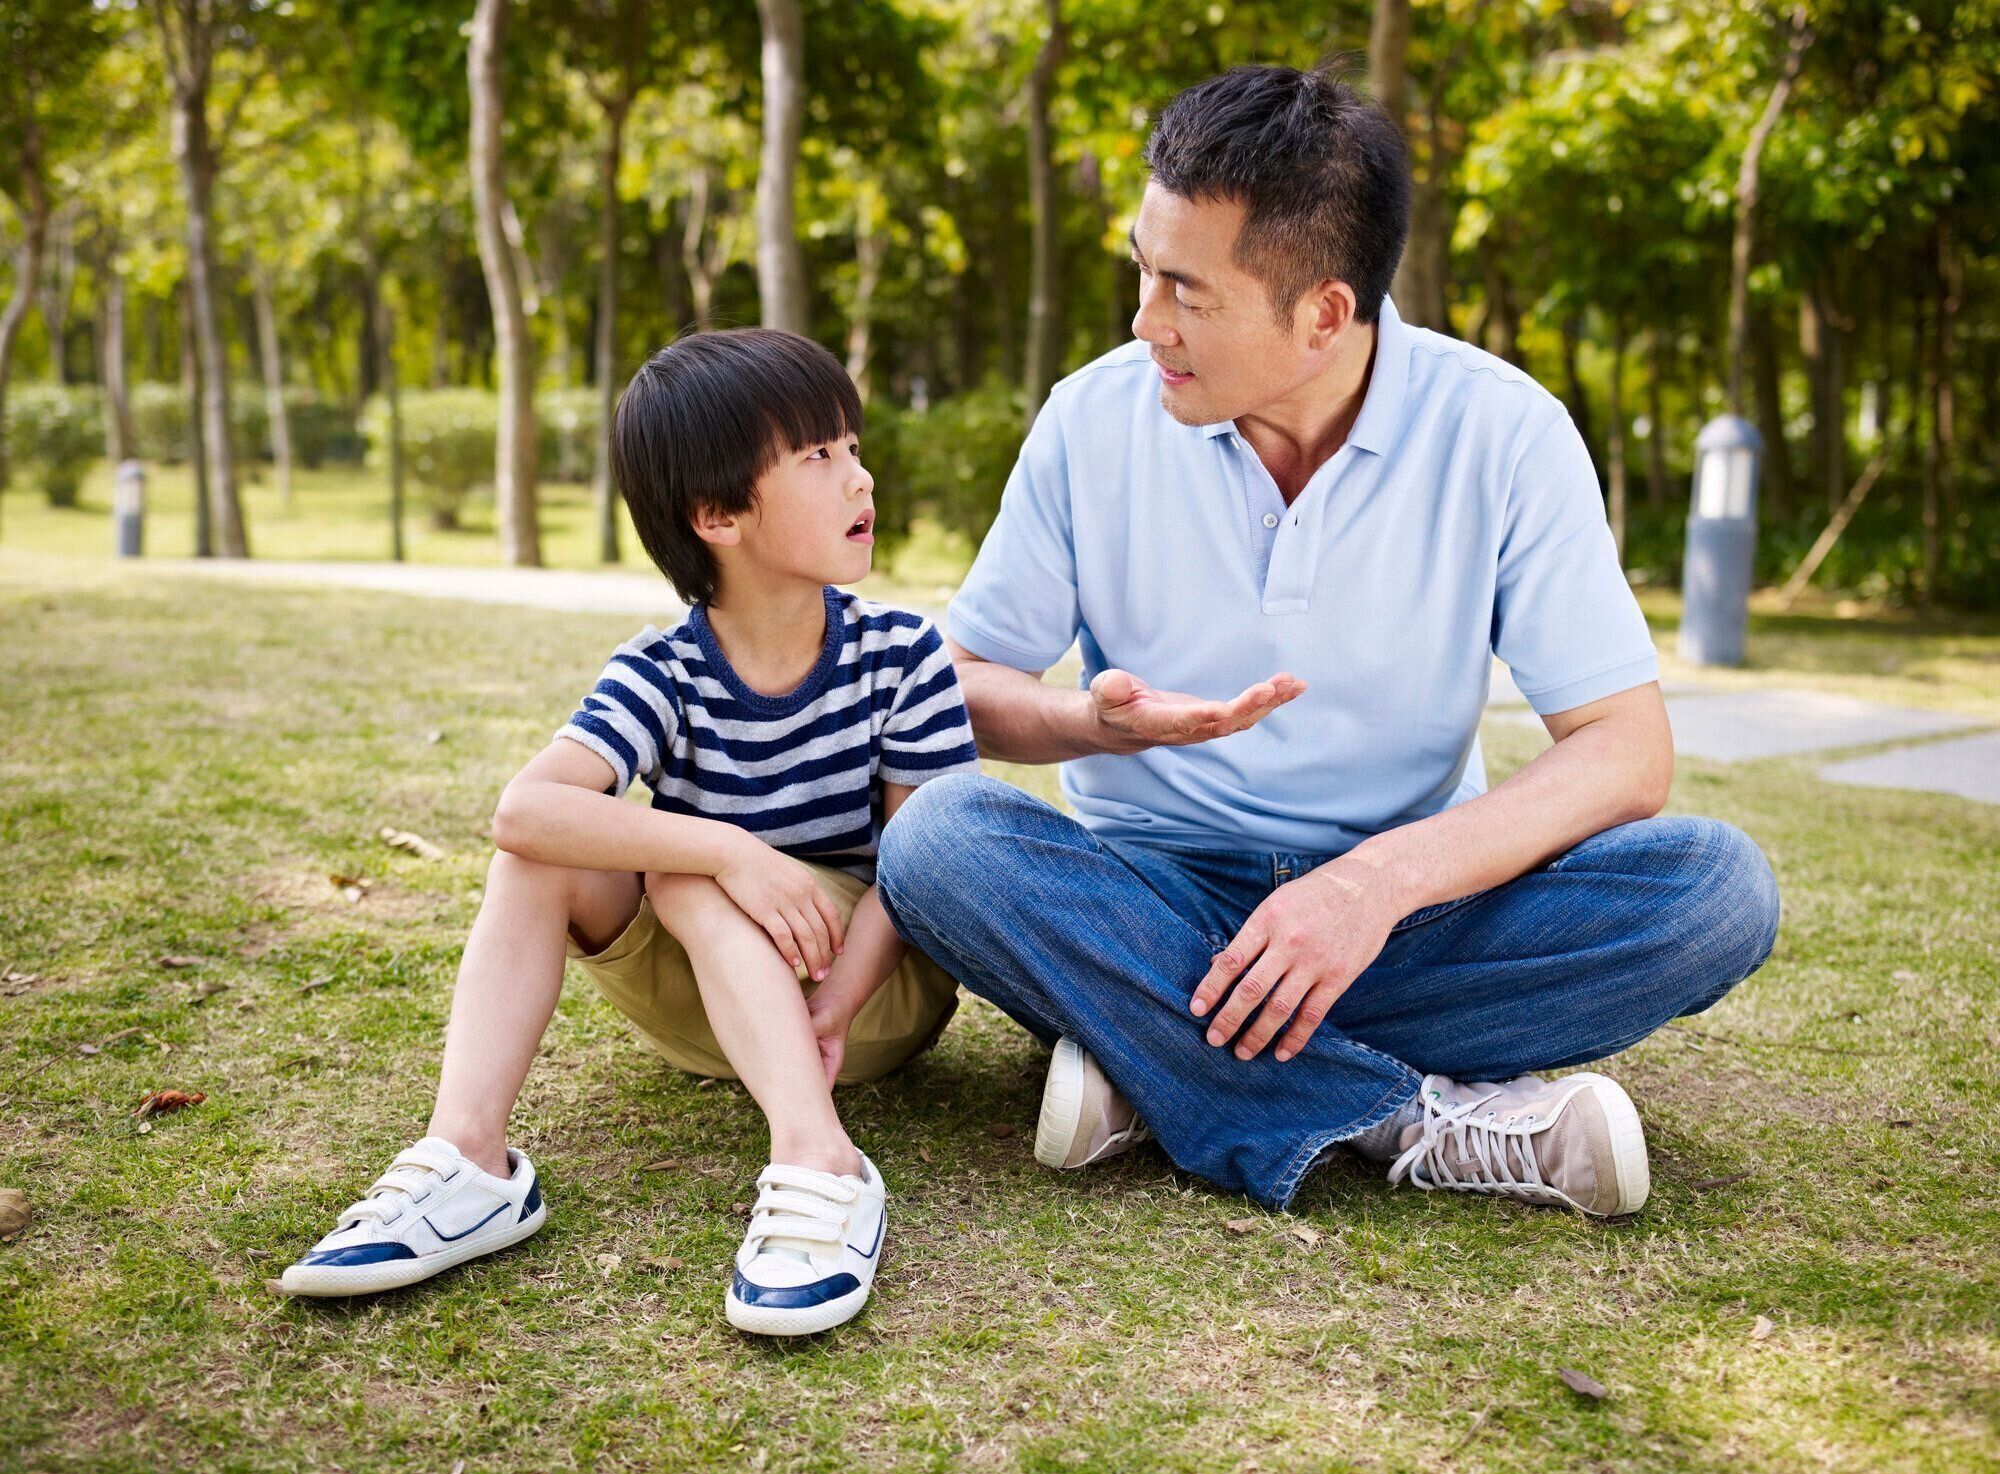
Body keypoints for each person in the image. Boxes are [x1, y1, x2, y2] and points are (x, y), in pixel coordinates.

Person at [874, 64, 1781, 1218]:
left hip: (1410, 909)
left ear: (1324, 314)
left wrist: (1369, 887)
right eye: (1140, 271)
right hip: (1153, 894)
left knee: (1713, 892)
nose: (1143, 322)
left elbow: (1622, 751)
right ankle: (1406, 1117)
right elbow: (966, 684)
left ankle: (1151, 1058)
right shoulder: (1089, 418)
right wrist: (1083, 725)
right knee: (940, 843)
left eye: (1183, 293)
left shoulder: (1503, 433)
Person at [282, 329, 979, 1336]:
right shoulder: (662, 667)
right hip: (710, 1007)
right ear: (716, 514)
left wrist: (828, 1008)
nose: (859, 477)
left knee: (679, 864)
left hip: (865, 1000)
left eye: (852, 446)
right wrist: (728, 849)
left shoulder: (899, 651)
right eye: (818, 457)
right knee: (576, 857)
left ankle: (817, 1156)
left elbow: (921, 865)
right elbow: (523, 810)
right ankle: (469, 1157)